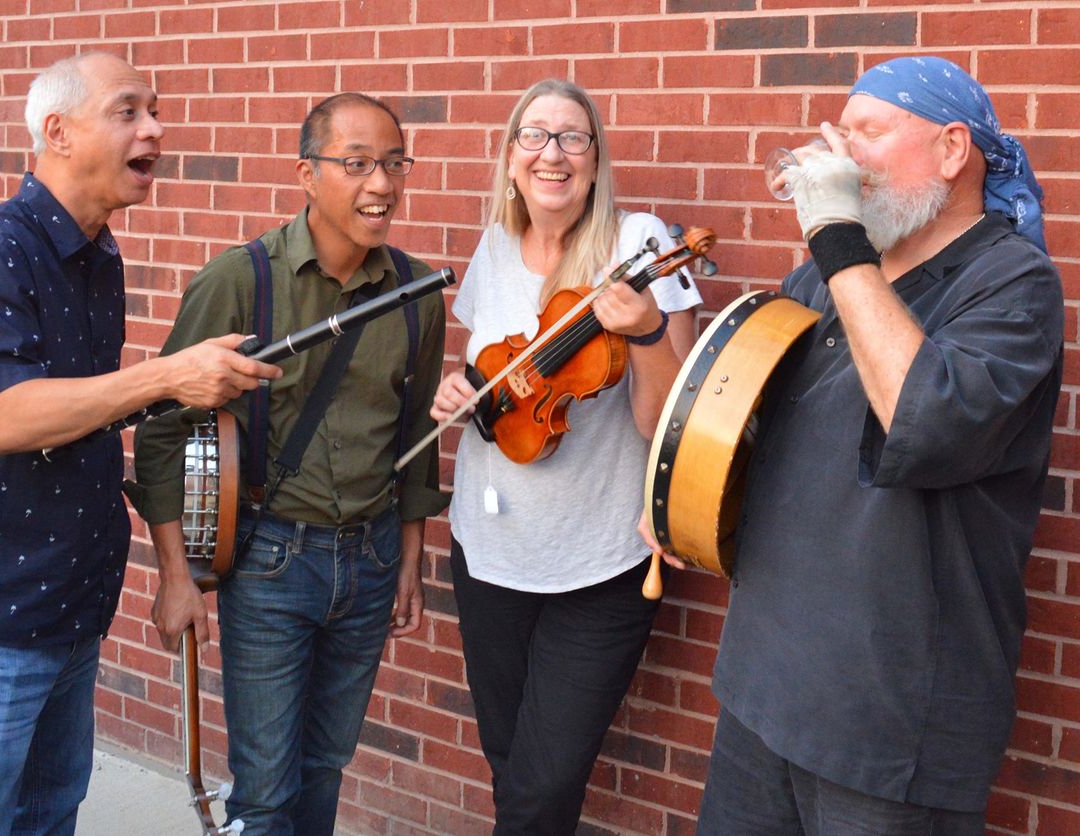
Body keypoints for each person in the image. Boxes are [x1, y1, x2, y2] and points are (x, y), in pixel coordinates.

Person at [648, 56, 1063, 834]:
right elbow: (752, 436)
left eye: (867, 133)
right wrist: (677, 501)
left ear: (950, 150)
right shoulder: (818, 280)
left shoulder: (1013, 285)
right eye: (840, 134)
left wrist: (840, 242)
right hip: (762, 688)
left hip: (891, 725)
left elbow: (925, 419)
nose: (841, 155)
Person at [0, 52, 279, 836]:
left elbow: (85, 418)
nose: (157, 130)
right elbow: (2, 419)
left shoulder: (98, 255)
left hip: (67, 606)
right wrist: (166, 377)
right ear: (58, 132)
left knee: (47, 819)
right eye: (129, 110)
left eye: (156, 109)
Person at [129, 92, 448, 834]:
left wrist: (409, 559)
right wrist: (177, 576)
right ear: (307, 174)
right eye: (358, 164)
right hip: (270, 562)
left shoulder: (416, 292)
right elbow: (160, 433)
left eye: (394, 164)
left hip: (368, 564)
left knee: (323, 767)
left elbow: (417, 440)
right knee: (266, 793)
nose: (383, 184)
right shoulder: (240, 281)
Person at [431, 79, 702, 833]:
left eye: (573, 137)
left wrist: (647, 331)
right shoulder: (493, 244)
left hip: (598, 561)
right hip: (488, 552)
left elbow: (664, 421)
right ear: (511, 159)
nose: (553, 153)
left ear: (595, 157)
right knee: (510, 763)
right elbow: (491, 370)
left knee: (542, 790)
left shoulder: (635, 242)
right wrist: (462, 393)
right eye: (535, 136)